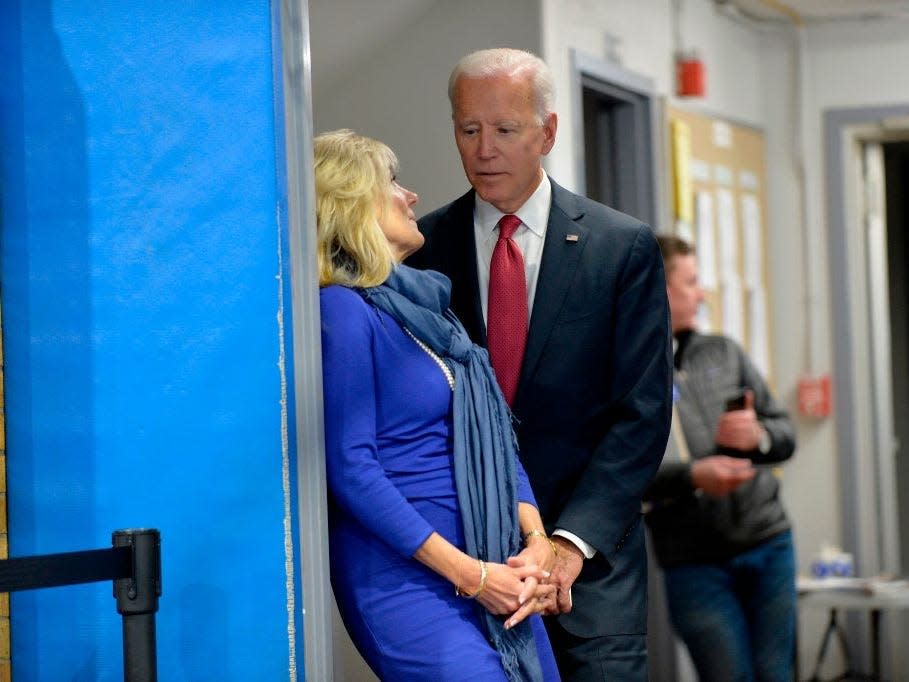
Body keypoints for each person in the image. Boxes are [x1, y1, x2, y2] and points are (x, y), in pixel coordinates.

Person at [408, 48, 673, 680]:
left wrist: (566, 545)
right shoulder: (421, 250)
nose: (485, 149)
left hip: (592, 578)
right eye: (469, 130)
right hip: (471, 574)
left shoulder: (619, 247)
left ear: (547, 132)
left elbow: (641, 416)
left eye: (505, 129)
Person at [315, 128, 563, 681]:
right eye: (393, 183)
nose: (411, 197)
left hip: (494, 564)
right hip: (410, 579)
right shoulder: (341, 310)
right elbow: (350, 469)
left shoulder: (427, 312)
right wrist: (471, 575)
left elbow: (494, 440)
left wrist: (535, 543)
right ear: (351, 202)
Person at [644, 234, 797, 682]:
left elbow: (785, 434)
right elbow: (621, 472)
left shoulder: (723, 351)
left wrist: (759, 437)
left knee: (776, 674)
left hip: (768, 543)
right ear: (661, 288)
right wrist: (693, 475)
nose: (702, 293)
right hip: (694, 562)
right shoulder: (630, 368)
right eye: (691, 282)